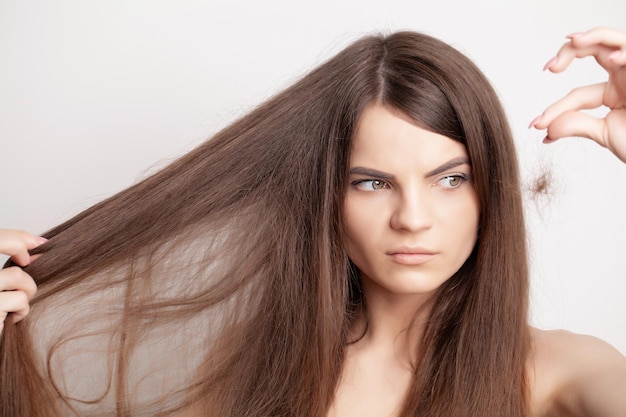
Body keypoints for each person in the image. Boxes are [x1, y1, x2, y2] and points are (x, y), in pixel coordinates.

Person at [0, 26, 624, 417]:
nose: (412, 219)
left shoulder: (556, 372)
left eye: (450, 179)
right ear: (328, 198)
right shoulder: (262, 370)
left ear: (491, 193)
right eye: (372, 183)